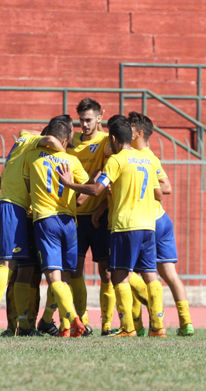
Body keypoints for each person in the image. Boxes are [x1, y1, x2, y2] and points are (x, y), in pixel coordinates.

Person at [57, 116, 166, 337]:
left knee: (118, 276)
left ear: (113, 139)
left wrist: (70, 184)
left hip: (126, 225)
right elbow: (159, 193)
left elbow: (97, 190)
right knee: (151, 275)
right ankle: (158, 327)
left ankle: (127, 328)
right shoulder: (146, 159)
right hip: (148, 225)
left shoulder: (116, 161)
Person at [0, 125, 66, 337]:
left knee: (15, 266)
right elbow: (51, 141)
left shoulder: (19, 146)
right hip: (13, 209)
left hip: (11, 207)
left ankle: (18, 324)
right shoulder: (33, 141)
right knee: (7, 264)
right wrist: (63, 156)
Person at [126, 112, 195, 336]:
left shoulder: (138, 156)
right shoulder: (151, 158)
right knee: (169, 274)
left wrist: (143, 187)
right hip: (161, 218)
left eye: (131, 128)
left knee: (129, 272)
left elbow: (166, 188)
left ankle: (144, 319)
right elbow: (165, 187)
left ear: (140, 133)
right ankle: (186, 323)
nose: (127, 132)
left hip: (147, 221)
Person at [23, 119, 89, 337]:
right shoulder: (72, 161)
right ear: (64, 140)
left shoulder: (32, 156)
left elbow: (27, 186)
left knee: (53, 277)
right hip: (69, 222)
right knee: (67, 277)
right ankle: (64, 327)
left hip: (45, 220)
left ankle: (73, 319)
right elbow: (84, 190)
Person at [67, 98, 115, 336]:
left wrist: (98, 207)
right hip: (73, 217)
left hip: (98, 217)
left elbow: (107, 176)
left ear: (100, 117)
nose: (84, 125)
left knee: (106, 270)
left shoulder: (107, 142)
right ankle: (82, 320)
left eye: (88, 120)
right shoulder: (71, 141)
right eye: (81, 121)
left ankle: (107, 323)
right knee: (74, 270)